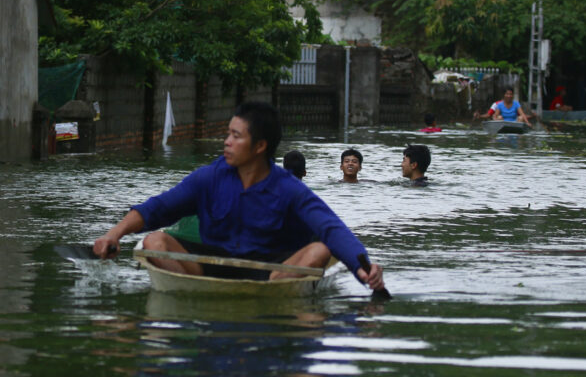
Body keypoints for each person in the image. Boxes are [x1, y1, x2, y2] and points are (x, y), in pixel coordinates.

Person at [93, 102, 384, 290]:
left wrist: (364, 268)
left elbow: (330, 229)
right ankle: (193, 291)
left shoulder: (289, 188)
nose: (227, 142)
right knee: (154, 241)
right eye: (228, 134)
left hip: (272, 272)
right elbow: (156, 209)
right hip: (209, 267)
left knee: (320, 249)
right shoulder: (209, 178)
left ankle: (269, 297)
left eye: (236, 136)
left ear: (259, 146)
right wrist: (114, 234)